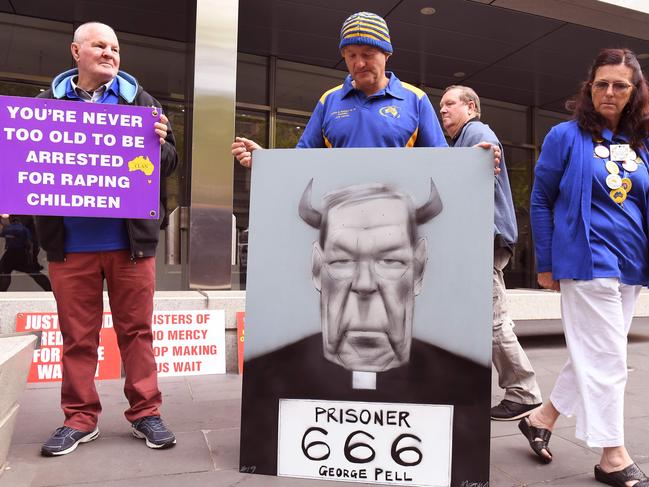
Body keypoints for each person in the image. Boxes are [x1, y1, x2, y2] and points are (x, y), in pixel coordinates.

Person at [240, 181, 491, 484]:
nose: (364, 284)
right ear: (318, 268)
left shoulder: (467, 383)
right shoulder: (265, 380)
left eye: (391, 260)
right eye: (341, 260)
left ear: (419, 269)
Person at [35, 22, 179, 456]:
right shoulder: (43, 106)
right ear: (76, 51)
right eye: (100, 46)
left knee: (138, 332)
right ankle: (79, 418)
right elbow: (27, 166)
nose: (110, 53)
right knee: (78, 337)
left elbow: (168, 164)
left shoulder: (142, 102)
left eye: (115, 47)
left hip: (130, 245)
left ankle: (146, 414)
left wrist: (159, 145)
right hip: (70, 245)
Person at [526, 48, 649, 486]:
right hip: (586, 258)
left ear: (634, 92)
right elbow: (541, 199)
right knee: (609, 359)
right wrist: (546, 261)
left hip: (631, 262)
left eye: (620, 85)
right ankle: (611, 456)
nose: (609, 92)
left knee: (595, 352)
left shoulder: (642, 142)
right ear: (589, 88)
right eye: (602, 84)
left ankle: (541, 418)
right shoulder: (566, 136)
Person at [231, 11, 500, 168]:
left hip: (399, 226)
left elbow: (443, 166)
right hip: (338, 222)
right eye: (350, 55)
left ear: (387, 54)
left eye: (368, 53)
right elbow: (303, 162)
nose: (358, 63)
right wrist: (264, 162)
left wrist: (476, 163)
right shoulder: (329, 100)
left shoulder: (415, 99)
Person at [439, 85, 542, 421]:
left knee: (491, 320)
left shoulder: (477, 133)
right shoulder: (461, 139)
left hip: (484, 238)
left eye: (450, 104)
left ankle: (523, 392)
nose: (443, 110)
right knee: (481, 316)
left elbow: (484, 167)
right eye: (441, 106)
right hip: (482, 238)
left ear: (471, 107)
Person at [0, 215, 52, 292]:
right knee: (34, 272)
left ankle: (2, 292)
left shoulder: (9, 228)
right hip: (21, 253)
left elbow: (2, 234)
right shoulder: (24, 229)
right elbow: (31, 243)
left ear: (11, 219)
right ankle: (50, 290)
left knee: (4, 273)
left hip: (12, 253)